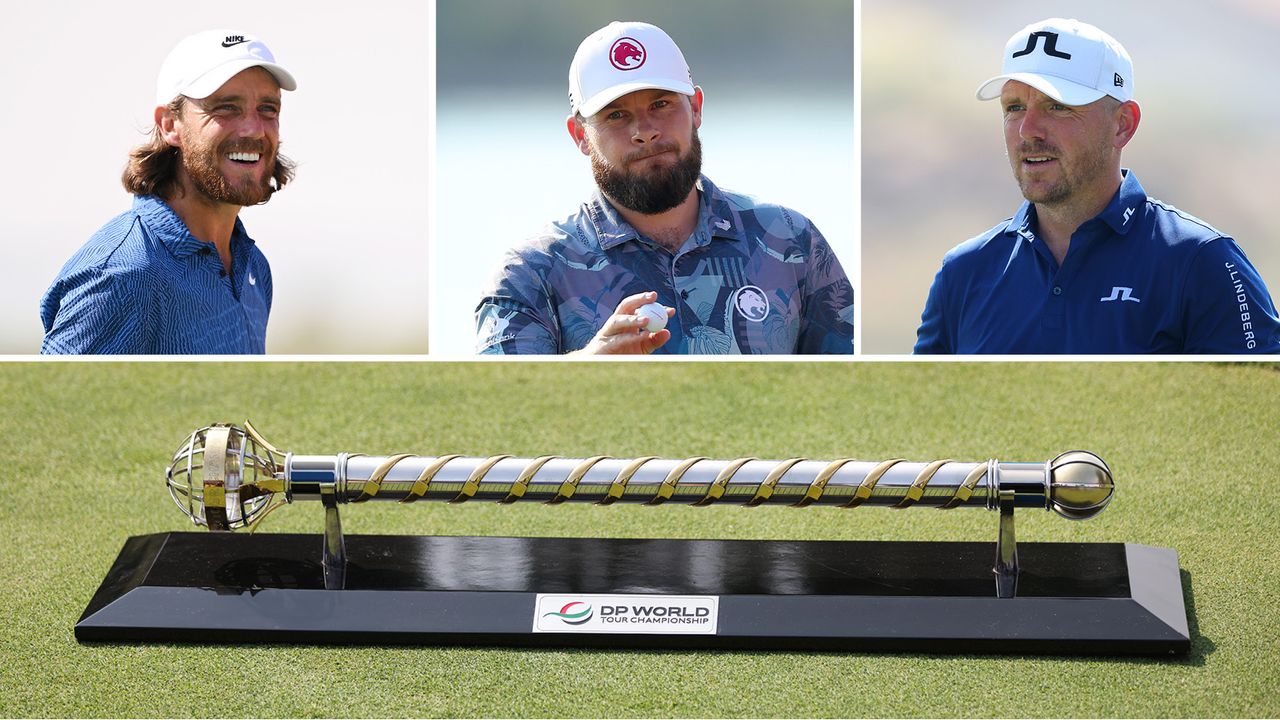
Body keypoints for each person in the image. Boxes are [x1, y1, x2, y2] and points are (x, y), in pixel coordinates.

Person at [476, 21, 854, 355]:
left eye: (661, 103)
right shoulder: (529, 274)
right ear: (581, 136)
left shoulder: (791, 241)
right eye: (616, 115)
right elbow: (497, 415)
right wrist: (585, 370)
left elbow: (852, 395)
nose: (645, 131)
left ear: (697, 109)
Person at [915, 18, 1279, 354]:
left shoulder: (1202, 262)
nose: (1028, 130)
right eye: (1014, 107)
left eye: (1057, 107)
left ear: (1123, 124)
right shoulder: (963, 271)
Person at [39, 29, 297, 354]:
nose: (253, 128)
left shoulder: (252, 266)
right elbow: (55, 404)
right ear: (170, 125)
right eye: (226, 107)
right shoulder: (123, 275)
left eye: (268, 109)